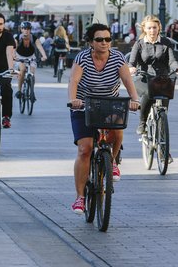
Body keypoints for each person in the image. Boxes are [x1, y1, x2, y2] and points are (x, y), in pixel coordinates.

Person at [68, 23, 141, 214]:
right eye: (99, 39)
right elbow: (73, 81)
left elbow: (127, 80)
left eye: (107, 39)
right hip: (84, 105)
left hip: (110, 104)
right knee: (85, 149)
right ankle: (80, 198)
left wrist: (135, 99)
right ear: (91, 42)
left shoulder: (116, 57)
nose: (104, 43)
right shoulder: (83, 58)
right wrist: (73, 100)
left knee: (117, 131)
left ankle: (113, 161)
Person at [128, 15, 178, 134]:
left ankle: (163, 148)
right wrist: (131, 68)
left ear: (159, 28)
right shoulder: (139, 44)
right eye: (149, 28)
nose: (152, 30)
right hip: (144, 78)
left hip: (162, 79)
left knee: (164, 107)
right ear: (144, 29)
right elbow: (131, 62)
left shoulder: (166, 42)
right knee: (149, 93)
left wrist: (177, 68)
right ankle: (142, 123)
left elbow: (171, 61)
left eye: (154, 27)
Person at [14, 21, 48, 100]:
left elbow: (40, 47)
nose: (26, 30)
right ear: (21, 29)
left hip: (31, 56)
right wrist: (13, 56)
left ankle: (32, 91)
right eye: (24, 28)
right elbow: (13, 48)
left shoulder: (34, 38)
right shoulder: (17, 38)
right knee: (22, 70)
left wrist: (44, 56)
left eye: (28, 29)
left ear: (30, 30)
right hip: (20, 56)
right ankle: (19, 91)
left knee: (32, 74)